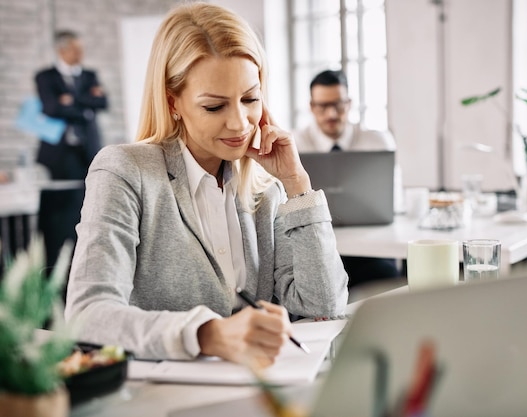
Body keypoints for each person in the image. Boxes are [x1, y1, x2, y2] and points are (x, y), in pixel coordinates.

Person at [64, 2, 349, 366]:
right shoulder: (125, 171)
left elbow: (323, 307)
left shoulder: (267, 189)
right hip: (161, 396)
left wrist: (297, 184)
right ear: (173, 102)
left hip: (260, 389)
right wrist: (208, 335)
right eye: (215, 107)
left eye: (250, 99)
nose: (239, 123)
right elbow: (88, 315)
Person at [295, 69, 401, 289]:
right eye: (323, 106)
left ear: (349, 103)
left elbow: (395, 200)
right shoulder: (294, 145)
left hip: (370, 247)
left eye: (339, 104)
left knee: (388, 278)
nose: (332, 113)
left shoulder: (378, 141)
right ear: (312, 107)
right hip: (319, 248)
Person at [35, 30, 108, 271]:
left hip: (87, 151)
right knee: (60, 209)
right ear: (62, 50)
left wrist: (71, 100)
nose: (81, 54)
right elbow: (50, 108)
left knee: (90, 202)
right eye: (76, 49)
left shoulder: (89, 74)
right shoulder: (45, 76)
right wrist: (85, 104)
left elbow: (103, 103)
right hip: (58, 155)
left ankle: (91, 258)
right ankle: (59, 264)